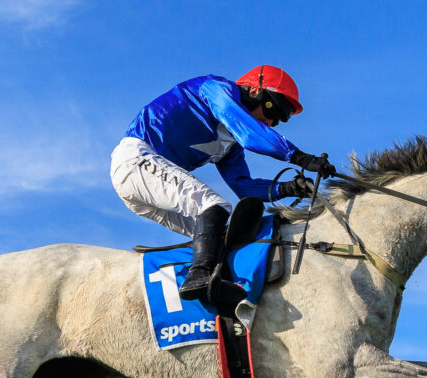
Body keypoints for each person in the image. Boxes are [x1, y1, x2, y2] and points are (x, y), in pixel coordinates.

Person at [110, 65, 336, 301]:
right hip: (136, 160)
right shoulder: (215, 89)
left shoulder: (230, 144)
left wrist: (288, 188)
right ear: (254, 90)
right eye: (272, 108)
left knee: (219, 235)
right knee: (214, 205)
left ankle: (214, 295)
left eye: (278, 120)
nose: (270, 121)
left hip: (144, 187)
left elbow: (243, 186)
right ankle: (199, 277)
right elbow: (250, 133)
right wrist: (300, 157)